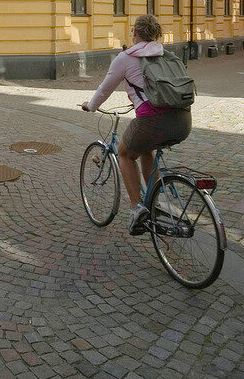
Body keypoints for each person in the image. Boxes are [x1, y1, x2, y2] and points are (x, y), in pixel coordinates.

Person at [81, 14, 192, 235]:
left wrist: (91, 106)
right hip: (183, 121)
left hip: (153, 121)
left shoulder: (125, 57)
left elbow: (104, 89)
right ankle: (154, 201)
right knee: (145, 150)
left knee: (124, 153)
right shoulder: (165, 54)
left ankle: (136, 209)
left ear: (135, 33)